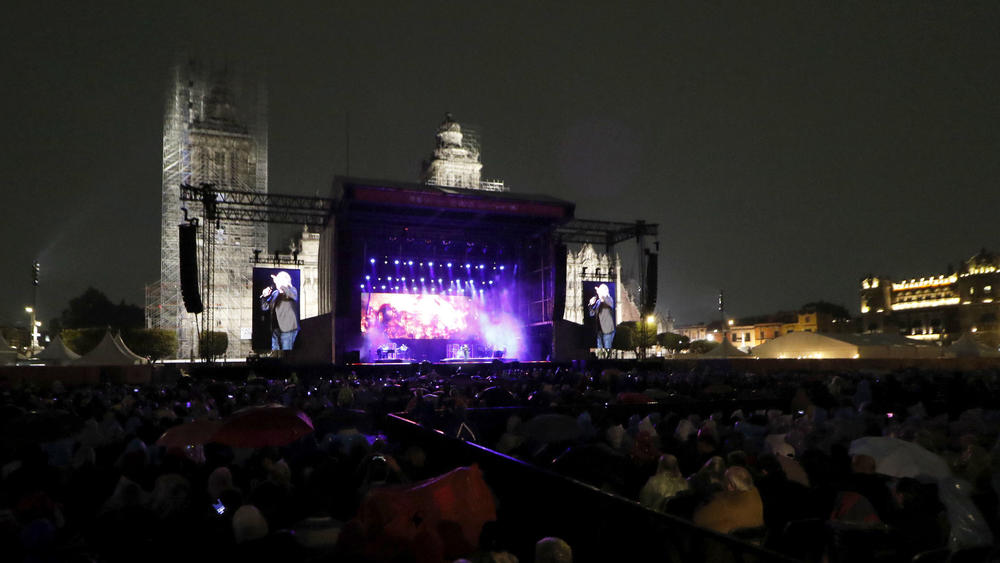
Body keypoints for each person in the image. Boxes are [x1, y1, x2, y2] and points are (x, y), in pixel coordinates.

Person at [261, 271, 299, 351]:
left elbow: (292, 296)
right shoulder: (275, 293)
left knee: (286, 354)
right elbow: (265, 307)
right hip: (275, 329)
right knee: (275, 354)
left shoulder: (292, 290)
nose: (276, 283)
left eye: (279, 280)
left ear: (285, 281)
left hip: (287, 330)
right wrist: (264, 296)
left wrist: (281, 285)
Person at [588, 284, 615, 358]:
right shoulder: (598, 302)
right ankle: (601, 363)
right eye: (598, 292)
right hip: (599, 330)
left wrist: (601, 293)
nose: (598, 293)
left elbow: (606, 301)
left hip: (607, 330)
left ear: (605, 292)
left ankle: (608, 363)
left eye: (600, 291)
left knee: (607, 349)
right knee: (600, 350)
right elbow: (591, 314)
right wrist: (591, 304)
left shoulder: (609, 299)